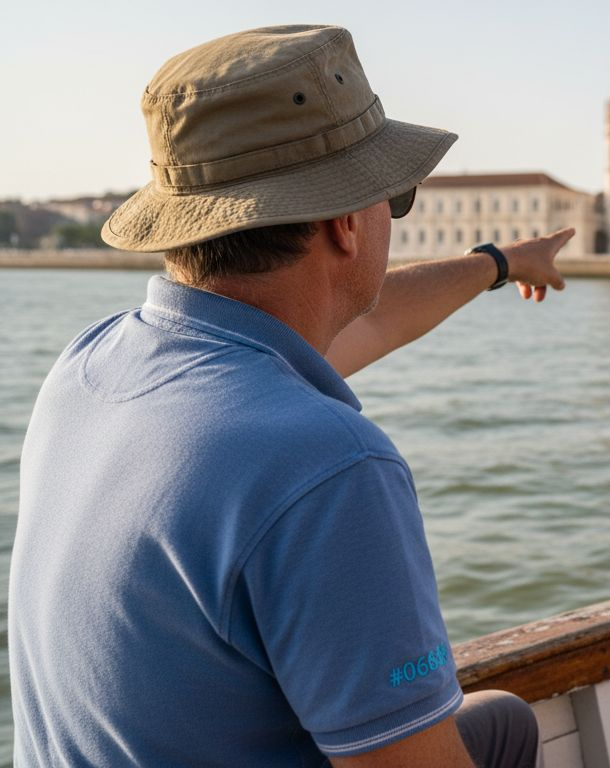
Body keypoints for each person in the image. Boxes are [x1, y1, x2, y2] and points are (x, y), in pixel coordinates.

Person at [10, 25, 570, 767]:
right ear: (346, 222)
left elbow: (368, 323)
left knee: (500, 721)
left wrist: (497, 263)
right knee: (506, 727)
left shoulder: (90, 365)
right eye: (395, 195)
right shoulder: (328, 465)